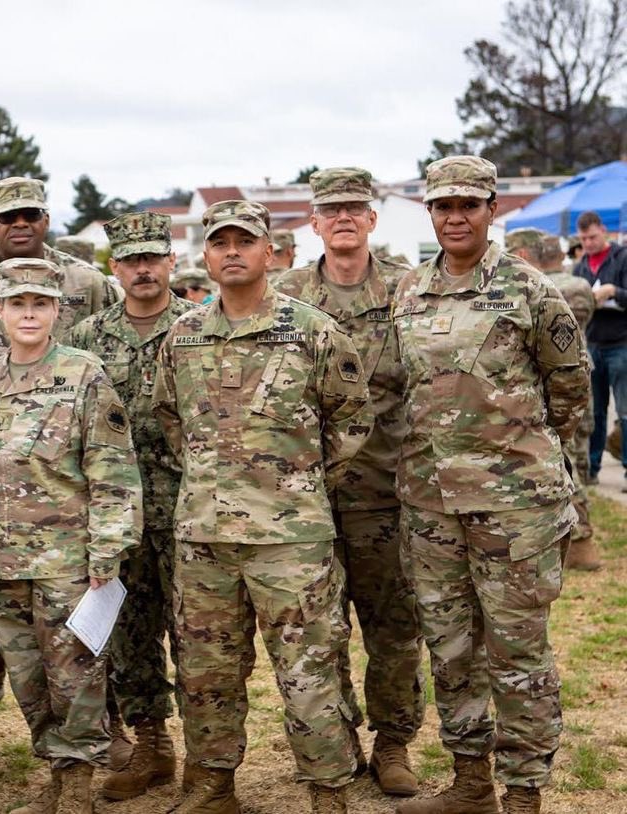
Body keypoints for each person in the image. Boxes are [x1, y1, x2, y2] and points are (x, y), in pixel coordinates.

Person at [154, 200, 371, 814]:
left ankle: (328, 791)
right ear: (204, 255)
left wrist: (300, 485)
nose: (230, 252)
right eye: (218, 242)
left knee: (309, 670)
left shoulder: (311, 330)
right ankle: (213, 785)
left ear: (268, 252)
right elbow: (171, 418)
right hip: (204, 536)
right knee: (204, 671)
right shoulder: (184, 334)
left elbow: (352, 419)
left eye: (243, 242)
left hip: (292, 538)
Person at [393, 157, 589, 814]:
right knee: (449, 650)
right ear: (430, 212)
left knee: (517, 653)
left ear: (492, 209)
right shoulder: (408, 292)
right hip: (430, 506)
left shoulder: (532, 292)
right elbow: (402, 388)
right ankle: (470, 781)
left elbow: (569, 393)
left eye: (468, 205)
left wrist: (538, 473)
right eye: (443, 206)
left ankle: (525, 792)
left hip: (515, 509)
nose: (455, 217)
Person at [0, 176, 123, 778]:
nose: (20, 224)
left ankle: (92, 751)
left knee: (79, 652)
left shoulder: (89, 287)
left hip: (70, 514)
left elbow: (113, 383)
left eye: (31, 214)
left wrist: (109, 536)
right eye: (8, 215)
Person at [0, 257, 142, 814]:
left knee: (78, 679)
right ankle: (57, 777)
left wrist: (107, 550)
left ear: (58, 310)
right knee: (29, 681)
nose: (29, 314)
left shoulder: (84, 374)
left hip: (68, 561)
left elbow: (112, 468)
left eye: (41, 303)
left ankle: (79, 790)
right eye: (18, 303)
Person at [274, 167, 424, 798]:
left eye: (353, 209)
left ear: (371, 219)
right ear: (313, 223)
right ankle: (338, 742)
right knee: (318, 631)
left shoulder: (409, 290)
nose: (342, 217)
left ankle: (393, 743)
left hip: (386, 492)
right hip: (307, 500)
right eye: (329, 209)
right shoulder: (285, 295)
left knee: (392, 628)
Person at [66, 212, 193, 801]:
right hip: (118, 510)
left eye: (153, 258)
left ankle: (210, 757)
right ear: (113, 268)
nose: (143, 269)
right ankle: (151, 746)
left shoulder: (199, 326)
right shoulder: (88, 339)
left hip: (192, 504)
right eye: (131, 260)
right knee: (130, 631)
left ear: (170, 262)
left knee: (199, 633)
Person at [507, 228, 601, 572]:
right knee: (574, 458)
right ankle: (579, 539)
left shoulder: (537, 290)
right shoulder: (576, 286)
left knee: (566, 463)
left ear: (526, 255)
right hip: (573, 380)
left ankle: (578, 539)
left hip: (559, 387)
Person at [570, 211, 627, 484]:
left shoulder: (622, 258)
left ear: (603, 231)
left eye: (592, 236)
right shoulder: (580, 267)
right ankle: (591, 470)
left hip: (620, 343)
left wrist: (614, 291)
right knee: (594, 412)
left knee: (625, 411)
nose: (589, 242)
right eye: (583, 238)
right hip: (591, 344)